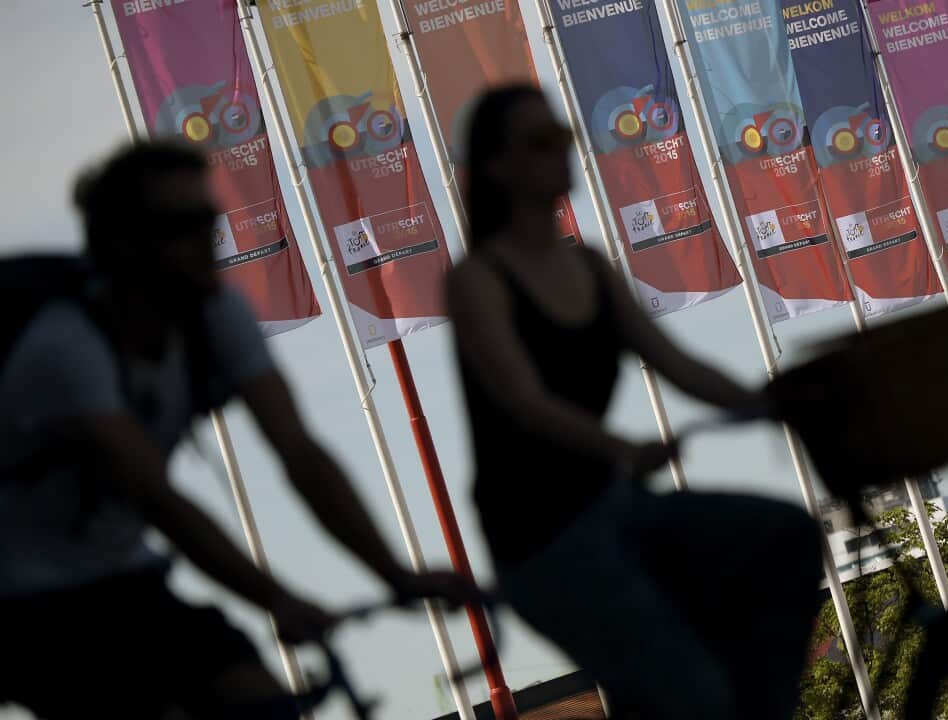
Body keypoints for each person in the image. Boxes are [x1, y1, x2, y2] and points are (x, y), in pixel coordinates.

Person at [0, 142, 477, 719]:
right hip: (24, 603)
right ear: (123, 244)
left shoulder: (216, 315)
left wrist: (395, 573)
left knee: (260, 703)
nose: (209, 238)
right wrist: (276, 599)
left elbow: (299, 451)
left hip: (121, 577)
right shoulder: (63, 349)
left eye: (209, 219)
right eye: (183, 226)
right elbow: (156, 497)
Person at [447, 85, 825, 720]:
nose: (560, 153)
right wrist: (621, 448)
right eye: (540, 143)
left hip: (614, 509)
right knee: (686, 694)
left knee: (786, 536)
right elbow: (525, 401)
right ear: (497, 166)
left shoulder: (591, 266)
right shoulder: (478, 280)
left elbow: (677, 363)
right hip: (543, 541)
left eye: (561, 138)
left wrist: (773, 402)